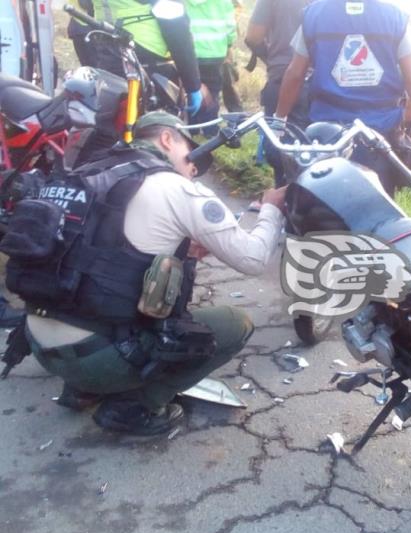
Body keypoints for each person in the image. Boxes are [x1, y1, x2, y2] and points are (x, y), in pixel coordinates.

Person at [6, 112, 286, 435]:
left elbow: (100, 257)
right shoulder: (178, 188)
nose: (193, 169)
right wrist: (272, 209)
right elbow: (253, 258)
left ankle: (84, 390)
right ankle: (135, 407)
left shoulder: (88, 171)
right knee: (236, 324)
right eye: (190, 155)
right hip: (96, 358)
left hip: (40, 346)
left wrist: (183, 252)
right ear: (167, 138)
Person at [274, 0, 411, 196]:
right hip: (379, 137)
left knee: (327, 201)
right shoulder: (394, 18)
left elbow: (295, 73)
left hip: (328, 136)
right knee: (379, 205)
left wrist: (279, 119)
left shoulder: (315, 16)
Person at [91, 0, 206, 115]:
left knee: (116, 117)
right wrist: (192, 86)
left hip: (109, 49)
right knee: (156, 126)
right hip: (148, 57)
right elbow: (177, 32)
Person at [245, 0, 311, 188]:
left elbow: (253, 36)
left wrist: (273, 59)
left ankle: (282, 200)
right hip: (321, 81)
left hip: (281, 77)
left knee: (280, 145)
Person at [184, 0, 238, 132]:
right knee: (213, 92)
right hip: (215, 54)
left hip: (190, 55)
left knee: (191, 89)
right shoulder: (224, 2)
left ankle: (192, 127)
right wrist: (228, 43)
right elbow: (230, 28)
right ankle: (210, 127)